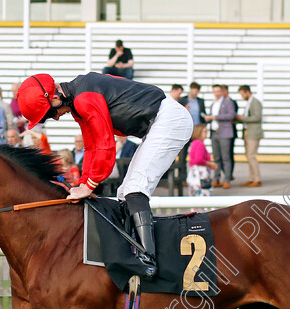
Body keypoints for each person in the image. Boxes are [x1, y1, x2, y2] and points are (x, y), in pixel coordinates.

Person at [17, 72, 193, 279]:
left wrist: (90, 185)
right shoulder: (77, 101)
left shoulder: (84, 99)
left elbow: (105, 144)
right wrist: (82, 183)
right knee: (124, 192)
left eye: (49, 114)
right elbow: (91, 148)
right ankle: (135, 252)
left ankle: (148, 260)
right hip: (159, 123)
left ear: (55, 98)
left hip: (169, 120)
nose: (55, 118)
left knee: (135, 189)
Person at [204, 84, 236, 189]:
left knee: (226, 157)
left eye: (218, 91)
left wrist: (215, 117)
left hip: (225, 132)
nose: (216, 93)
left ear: (222, 91)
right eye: (215, 91)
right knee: (216, 157)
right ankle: (216, 178)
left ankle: (227, 179)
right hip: (214, 132)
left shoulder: (228, 102)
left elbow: (231, 115)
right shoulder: (213, 104)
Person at [236, 85, 264, 187]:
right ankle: (252, 178)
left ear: (247, 92)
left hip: (253, 133)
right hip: (247, 132)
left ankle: (257, 179)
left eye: (242, 94)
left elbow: (257, 117)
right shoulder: (249, 102)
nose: (242, 96)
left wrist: (243, 118)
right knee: (248, 156)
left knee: (251, 156)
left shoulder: (255, 102)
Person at [186, 125, 216, 197]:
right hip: (200, 174)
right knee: (203, 195)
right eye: (205, 131)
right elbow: (198, 159)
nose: (207, 133)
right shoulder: (200, 144)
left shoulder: (193, 143)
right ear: (199, 133)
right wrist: (209, 164)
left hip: (193, 173)